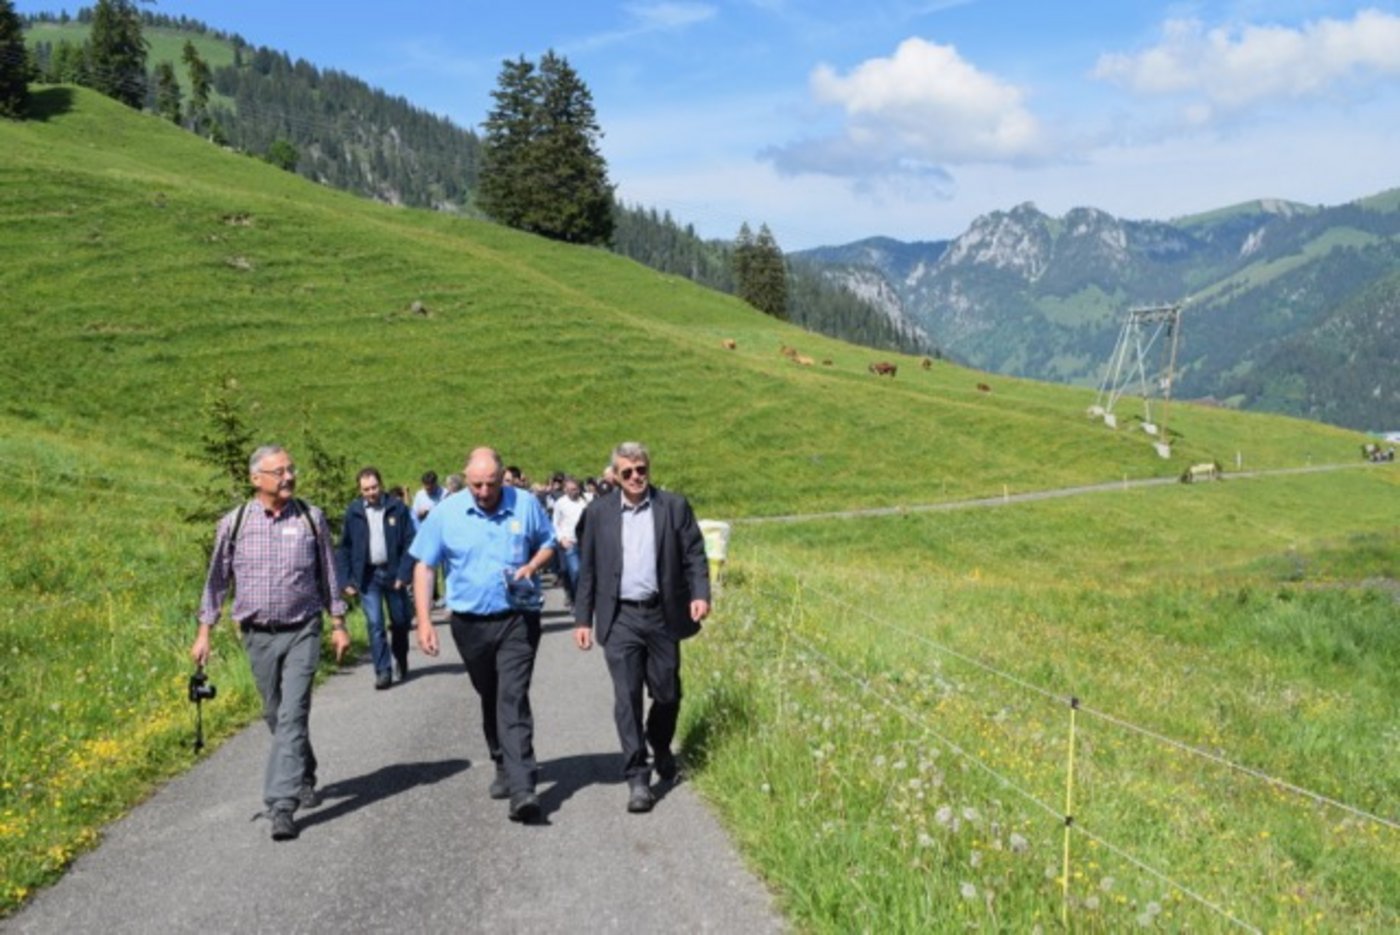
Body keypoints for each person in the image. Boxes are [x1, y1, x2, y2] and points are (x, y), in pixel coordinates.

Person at [192, 445, 349, 842]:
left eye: (291, 469)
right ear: (256, 478)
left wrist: (338, 622)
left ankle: (281, 804)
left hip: (303, 630)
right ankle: (305, 771)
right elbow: (216, 581)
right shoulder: (235, 523)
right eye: (279, 471)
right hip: (257, 635)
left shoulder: (311, 519)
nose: (289, 477)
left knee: (293, 714)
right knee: (275, 713)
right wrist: (204, 631)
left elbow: (330, 574)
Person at [411, 447, 556, 822]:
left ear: (502, 477)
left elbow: (548, 542)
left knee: (513, 695)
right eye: (477, 484)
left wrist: (533, 564)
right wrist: (424, 621)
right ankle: (501, 759)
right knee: (489, 693)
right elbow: (425, 565)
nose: (484, 491)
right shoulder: (447, 512)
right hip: (469, 623)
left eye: (491, 484)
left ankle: (523, 787)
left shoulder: (524, 504)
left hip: (518, 618)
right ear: (466, 478)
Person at [573, 442, 711, 813]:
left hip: (663, 613)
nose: (636, 477)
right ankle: (637, 777)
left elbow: (694, 554)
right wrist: (583, 618)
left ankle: (660, 741)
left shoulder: (673, 507)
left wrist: (700, 593)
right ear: (615, 476)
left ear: (649, 469)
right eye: (627, 472)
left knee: (667, 692)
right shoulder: (599, 513)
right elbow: (587, 570)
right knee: (627, 695)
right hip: (620, 619)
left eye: (641, 470)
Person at [337, 466, 417, 689]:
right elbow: (344, 548)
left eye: (374, 487)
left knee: (401, 622)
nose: (371, 492)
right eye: (366, 489)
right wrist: (344, 580)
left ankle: (401, 657)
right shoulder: (353, 512)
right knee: (375, 624)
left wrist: (404, 573)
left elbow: (411, 542)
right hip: (368, 576)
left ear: (381, 485)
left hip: (393, 574)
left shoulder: (397, 508)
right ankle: (383, 671)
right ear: (360, 490)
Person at [551, 475, 587, 606]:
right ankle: (573, 597)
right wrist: (561, 539)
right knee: (574, 571)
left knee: (584, 573)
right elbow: (555, 523)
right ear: (565, 489)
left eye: (576, 489)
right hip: (569, 542)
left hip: (584, 542)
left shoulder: (585, 501)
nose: (574, 492)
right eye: (571, 489)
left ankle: (581, 598)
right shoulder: (560, 503)